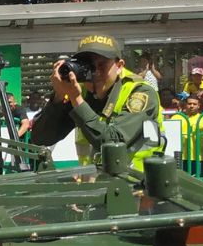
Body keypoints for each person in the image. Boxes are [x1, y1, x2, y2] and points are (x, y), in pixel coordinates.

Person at [29, 34, 164, 170]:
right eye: (89, 66)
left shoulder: (139, 92)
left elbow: (112, 143)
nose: (96, 73)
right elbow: (41, 138)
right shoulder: (79, 92)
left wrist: (77, 100)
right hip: (96, 184)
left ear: (119, 66)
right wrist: (58, 97)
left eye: (102, 65)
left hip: (138, 183)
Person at [173, 95, 203, 177]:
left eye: (194, 104)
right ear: (185, 105)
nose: (192, 106)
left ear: (199, 105)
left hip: (199, 158)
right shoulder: (176, 117)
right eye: (189, 103)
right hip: (181, 157)